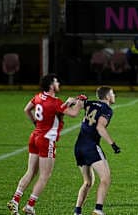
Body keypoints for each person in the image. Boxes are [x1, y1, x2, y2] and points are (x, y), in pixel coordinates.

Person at [7, 74, 84, 215]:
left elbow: (27, 109)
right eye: (56, 81)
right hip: (46, 140)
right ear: (51, 85)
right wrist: (78, 104)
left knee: (31, 171)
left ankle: (15, 200)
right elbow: (72, 114)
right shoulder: (55, 102)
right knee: (44, 175)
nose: (58, 83)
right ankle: (30, 206)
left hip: (35, 136)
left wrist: (35, 123)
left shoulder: (38, 97)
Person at [72, 86, 121, 215]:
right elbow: (100, 127)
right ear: (107, 97)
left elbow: (76, 101)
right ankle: (98, 209)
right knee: (106, 178)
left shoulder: (90, 103)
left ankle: (77, 211)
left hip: (78, 146)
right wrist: (113, 144)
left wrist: (75, 100)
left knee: (88, 182)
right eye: (112, 93)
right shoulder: (107, 109)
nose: (114, 95)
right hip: (90, 146)